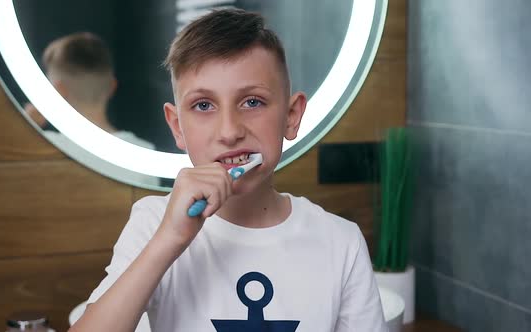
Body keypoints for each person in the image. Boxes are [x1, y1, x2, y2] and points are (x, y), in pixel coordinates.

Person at [70, 9, 387, 332]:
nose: (229, 131)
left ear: (291, 116)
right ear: (177, 127)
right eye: (203, 106)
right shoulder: (153, 223)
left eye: (252, 102)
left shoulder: (340, 242)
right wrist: (169, 240)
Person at [25, 32, 153, 149]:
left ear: (59, 91)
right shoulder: (143, 152)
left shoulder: (41, 147)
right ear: (112, 86)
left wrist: (26, 124)